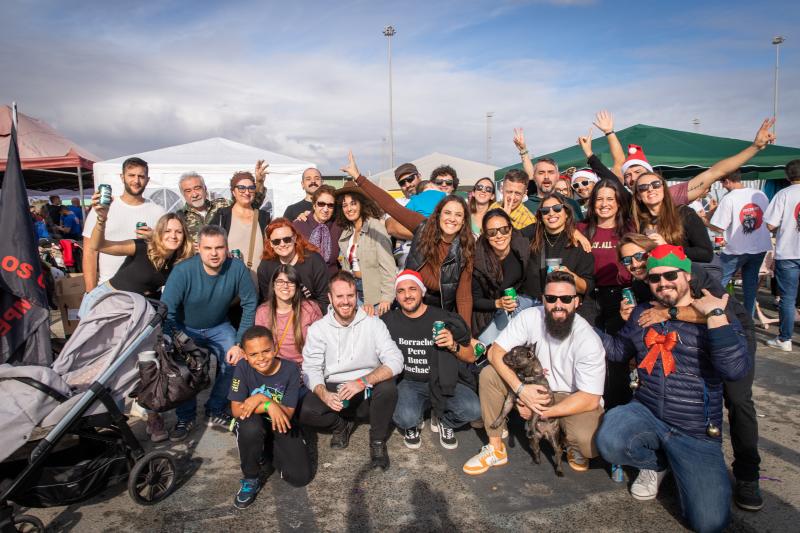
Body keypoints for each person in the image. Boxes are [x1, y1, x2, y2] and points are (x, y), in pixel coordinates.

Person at [596, 244, 750, 533]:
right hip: (647, 411)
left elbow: (735, 370)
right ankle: (657, 464)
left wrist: (716, 317)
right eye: (655, 278)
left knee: (709, 523)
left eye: (671, 275)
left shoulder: (712, 310)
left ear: (688, 275)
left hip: (695, 430)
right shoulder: (644, 312)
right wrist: (578, 326)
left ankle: (682, 466)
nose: (663, 283)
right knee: (610, 438)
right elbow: (618, 351)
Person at [463, 271, 606, 475]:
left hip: (570, 397)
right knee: (489, 374)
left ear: (577, 302)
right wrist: (521, 390)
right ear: (543, 300)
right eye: (551, 298)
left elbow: (590, 398)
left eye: (565, 299)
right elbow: (495, 352)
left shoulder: (588, 339)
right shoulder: (530, 316)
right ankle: (496, 448)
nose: (558, 304)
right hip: (532, 386)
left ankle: (570, 442)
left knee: (588, 442)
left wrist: (540, 412)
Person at [343, 152, 475, 327]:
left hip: (442, 311)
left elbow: (464, 297)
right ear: (438, 215)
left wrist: (464, 334)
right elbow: (390, 205)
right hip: (410, 305)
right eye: (448, 213)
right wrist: (359, 177)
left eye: (458, 215)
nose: (452, 219)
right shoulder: (423, 227)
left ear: (464, 220)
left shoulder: (465, 248)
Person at [161, 225, 258, 440]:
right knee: (186, 369)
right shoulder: (183, 271)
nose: (214, 253)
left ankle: (215, 407)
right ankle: (185, 416)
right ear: (198, 248)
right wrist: (174, 339)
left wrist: (240, 342)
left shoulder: (237, 268)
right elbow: (168, 309)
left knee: (235, 360)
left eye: (219, 247)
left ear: (227, 248)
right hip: (186, 327)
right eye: (208, 248)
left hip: (218, 325)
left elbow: (250, 302)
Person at [299, 271, 403, 470]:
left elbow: (396, 360)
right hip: (335, 387)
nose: (345, 301)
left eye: (350, 295)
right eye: (339, 296)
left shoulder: (374, 324)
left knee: (388, 387)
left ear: (356, 296)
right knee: (306, 410)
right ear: (330, 298)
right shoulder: (318, 329)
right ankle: (341, 425)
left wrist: (363, 381)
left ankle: (378, 441)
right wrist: (323, 393)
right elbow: (310, 368)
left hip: (364, 387)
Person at [582, 113, 778, 205]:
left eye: (639, 172)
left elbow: (716, 172)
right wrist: (608, 133)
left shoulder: (671, 196)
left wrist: (754, 147)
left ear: (653, 176)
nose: (633, 177)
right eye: (629, 175)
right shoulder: (626, 201)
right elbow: (618, 164)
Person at [383, 270, 480, 450]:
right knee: (406, 418)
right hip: (408, 382)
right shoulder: (388, 321)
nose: (407, 295)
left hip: (443, 381)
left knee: (473, 409)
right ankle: (414, 421)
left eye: (412, 289)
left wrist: (453, 345)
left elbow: (471, 355)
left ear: (422, 291)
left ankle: (445, 421)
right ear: (396, 296)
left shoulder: (443, 318)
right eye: (401, 291)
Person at [229, 326, 311, 508]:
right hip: (253, 421)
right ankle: (250, 477)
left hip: (280, 422)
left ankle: (266, 452)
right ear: (245, 355)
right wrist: (267, 404)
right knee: (250, 427)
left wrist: (262, 400)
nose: (261, 358)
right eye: (254, 354)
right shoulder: (242, 367)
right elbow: (236, 410)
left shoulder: (290, 369)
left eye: (266, 351)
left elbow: (288, 413)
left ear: (275, 348)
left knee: (300, 477)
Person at [80, 196, 193, 318]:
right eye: (167, 231)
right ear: (159, 233)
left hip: (138, 309)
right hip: (108, 301)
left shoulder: (180, 259)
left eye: (179, 232)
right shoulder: (142, 247)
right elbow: (99, 245)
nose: (173, 236)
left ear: (184, 236)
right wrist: (102, 219)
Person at [577, 178, 634, 409]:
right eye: (599, 199)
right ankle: (589, 408)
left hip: (619, 297)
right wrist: (576, 233)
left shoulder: (629, 228)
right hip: (589, 298)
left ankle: (616, 409)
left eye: (610, 199)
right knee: (589, 354)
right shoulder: (582, 228)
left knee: (616, 357)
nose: (604, 204)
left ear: (619, 202)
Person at [82, 157, 165, 293]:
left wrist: (153, 238)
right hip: (109, 289)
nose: (136, 181)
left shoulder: (158, 212)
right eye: (131, 175)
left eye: (141, 176)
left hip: (146, 292)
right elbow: (90, 252)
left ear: (147, 180)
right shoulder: (104, 208)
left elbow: (167, 251)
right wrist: (90, 292)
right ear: (122, 177)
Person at [707, 170, 772, 316]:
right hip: (759, 246)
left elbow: (718, 227)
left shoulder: (729, 198)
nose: (723, 186)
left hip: (737, 249)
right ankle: (748, 318)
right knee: (750, 286)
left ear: (728, 181)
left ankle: (716, 315)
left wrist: (705, 222)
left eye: (722, 183)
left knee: (717, 283)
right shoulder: (759, 194)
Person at [523, 194, 595, 322]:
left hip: (566, 312)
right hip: (535, 311)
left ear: (566, 213)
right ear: (540, 216)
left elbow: (587, 287)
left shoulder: (578, 244)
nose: (551, 213)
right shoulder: (530, 238)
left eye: (557, 208)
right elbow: (507, 234)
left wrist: (571, 277)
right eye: (545, 211)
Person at [472, 208, 532, 343]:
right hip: (488, 310)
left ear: (510, 230)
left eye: (504, 229)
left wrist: (577, 233)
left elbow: (543, 224)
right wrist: (497, 303)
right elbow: (475, 300)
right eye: (492, 232)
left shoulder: (521, 247)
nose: (499, 236)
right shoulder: (478, 261)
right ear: (486, 235)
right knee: (491, 347)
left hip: (517, 303)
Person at [334, 182, 395, 313]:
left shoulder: (375, 228)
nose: (349, 208)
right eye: (345, 205)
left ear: (362, 204)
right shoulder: (347, 231)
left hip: (374, 294)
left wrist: (387, 297)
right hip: (352, 292)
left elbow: (388, 266)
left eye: (353, 203)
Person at [631, 172, 713, 265]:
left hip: (682, 276)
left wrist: (668, 248)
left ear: (663, 189)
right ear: (638, 196)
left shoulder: (684, 213)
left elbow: (706, 254)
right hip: (654, 276)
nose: (650, 189)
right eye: (643, 187)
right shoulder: (638, 222)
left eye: (656, 184)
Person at [209, 171, 271, 290]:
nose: (246, 192)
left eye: (251, 188)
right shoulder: (222, 216)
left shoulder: (264, 217)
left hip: (259, 285)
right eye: (241, 188)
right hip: (228, 284)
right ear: (233, 191)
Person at [176, 165, 268, 243]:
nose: (194, 194)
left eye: (197, 188)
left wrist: (259, 183)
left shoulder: (222, 205)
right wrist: (189, 248)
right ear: (183, 194)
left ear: (205, 188)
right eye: (188, 191)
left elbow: (249, 204)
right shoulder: (180, 218)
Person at [764, 159, 800, 352]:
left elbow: (770, 224)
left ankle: (785, 339)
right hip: (788, 254)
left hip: (788, 252)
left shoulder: (783, 194)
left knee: (788, 298)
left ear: (787, 176)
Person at [254, 264, 322, 367]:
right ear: (273, 285)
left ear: (297, 286)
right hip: (276, 368)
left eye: (290, 282)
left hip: (306, 367)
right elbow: (260, 346)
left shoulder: (310, 308)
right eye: (280, 281)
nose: (285, 286)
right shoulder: (263, 312)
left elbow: (322, 342)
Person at [258, 219, 330, 312]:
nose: (282, 244)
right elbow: (268, 300)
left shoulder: (313, 261)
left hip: (312, 316)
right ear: (271, 243)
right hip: (281, 317)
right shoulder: (266, 266)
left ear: (295, 238)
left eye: (287, 239)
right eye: (276, 241)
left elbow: (324, 299)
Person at [512, 128, 584, 220]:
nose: (546, 177)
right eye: (541, 173)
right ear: (534, 177)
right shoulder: (524, 208)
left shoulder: (571, 204)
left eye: (551, 172)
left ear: (558, 176)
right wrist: (523, 151)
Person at [292, 184, 343, 278]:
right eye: (321, 204)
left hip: (331, 282)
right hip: (305, 281)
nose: (325, 209)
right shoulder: (299, 225)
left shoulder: (339, 226)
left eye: (330, 205)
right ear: (314, 205)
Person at [490, 169, 537, 235]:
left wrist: (504, 219)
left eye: (517, 193)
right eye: (509, 192)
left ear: (524, 194)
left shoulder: (529, 222)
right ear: (501, 189)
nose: (512, 198)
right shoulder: (494, 206)